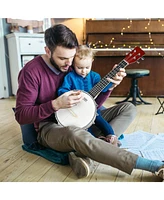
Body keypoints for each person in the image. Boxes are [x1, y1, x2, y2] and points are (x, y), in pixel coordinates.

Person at [15, 24, 164, 180]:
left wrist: (109, 87)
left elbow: (92, 106)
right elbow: (21, 115)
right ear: (47, 51)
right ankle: (154, 166)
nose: (68, 63)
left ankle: (88, 153)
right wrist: (55, 105)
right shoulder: (31, 72)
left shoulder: (73, 65)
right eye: (62, 58)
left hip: (81, 119)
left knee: (129, 108)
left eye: (72, 57)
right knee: (75, 133)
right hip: (51, 127)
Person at [58, 44, 121, 146]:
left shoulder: (95, 76)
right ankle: (94, 141)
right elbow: (62, 90)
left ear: (92, 62)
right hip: (75, 109)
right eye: (80, 67)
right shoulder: (70, 77)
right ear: (73, 63)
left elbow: (103, 88)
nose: (84, 71)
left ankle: (111, 136)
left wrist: (112, 80)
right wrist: (70, 95)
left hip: (91, 109)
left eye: (87, 67)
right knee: (84, 126)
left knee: (99, 118)